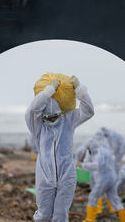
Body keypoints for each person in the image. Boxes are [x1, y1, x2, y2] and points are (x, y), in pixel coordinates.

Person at [25, 75, 94, 222]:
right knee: (44, 215)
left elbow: (88, 111)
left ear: (60, 114)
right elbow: (32, 110)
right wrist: (50, 89)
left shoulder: (68, 120)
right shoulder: (37, 126)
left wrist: (80, 89)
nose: (52, 120)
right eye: (48, 117)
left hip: (67, 174)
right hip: (45, 174)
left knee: (61, 216)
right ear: (42, 116)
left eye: (55, 116)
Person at [76, 139, 125, 221]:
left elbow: (96, 165)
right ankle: (123, 219)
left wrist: (82, 165)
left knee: (93, 196)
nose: (88, 150)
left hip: (104, 179)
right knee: (114, 199)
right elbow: (89, 160)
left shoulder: (99, 153)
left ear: (90, 146)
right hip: (112, 177)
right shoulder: (104, 150)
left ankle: (89, 219)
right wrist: (85, 162)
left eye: (88, 148)